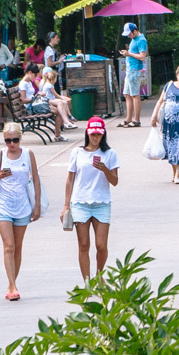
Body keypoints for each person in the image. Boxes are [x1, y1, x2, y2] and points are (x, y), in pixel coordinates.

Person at [0, 128, 43, 301]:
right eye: (8, 140)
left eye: (15, 140)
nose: (12, 144)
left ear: (20, 138)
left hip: (22, 205)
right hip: (3, 205)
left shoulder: (28, 154)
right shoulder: (0, 154)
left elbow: (35, 178)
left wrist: (37, 205)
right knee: (9, 245)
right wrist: (0, 176)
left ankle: (13, 282)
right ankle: (12, 285)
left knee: (18, 247)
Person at [61, 117, 120, 280]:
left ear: (103, 135)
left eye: (99, 135)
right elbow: (70, 178)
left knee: (101, 245)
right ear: (88, 133)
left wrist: (105, 169)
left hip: (102, 202)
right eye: (93, 134)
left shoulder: (109, 154)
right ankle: (87, 281)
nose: (95, 138)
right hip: (80, 202)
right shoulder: (77, 152)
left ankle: (99, 274)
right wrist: (66, 205)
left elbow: (114, 181)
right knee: (84, 244)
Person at [121, 21, 150, 127]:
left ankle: (137, 120)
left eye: (129, 33)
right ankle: (128, 119)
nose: (128, 36)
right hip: (130, 70)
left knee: (135, 95)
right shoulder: (134, 39)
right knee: (127, 95)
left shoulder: (141, 40)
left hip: (135, 70)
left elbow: (142, 57)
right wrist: (127, 54)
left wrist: (128, 54)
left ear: (135, 31)